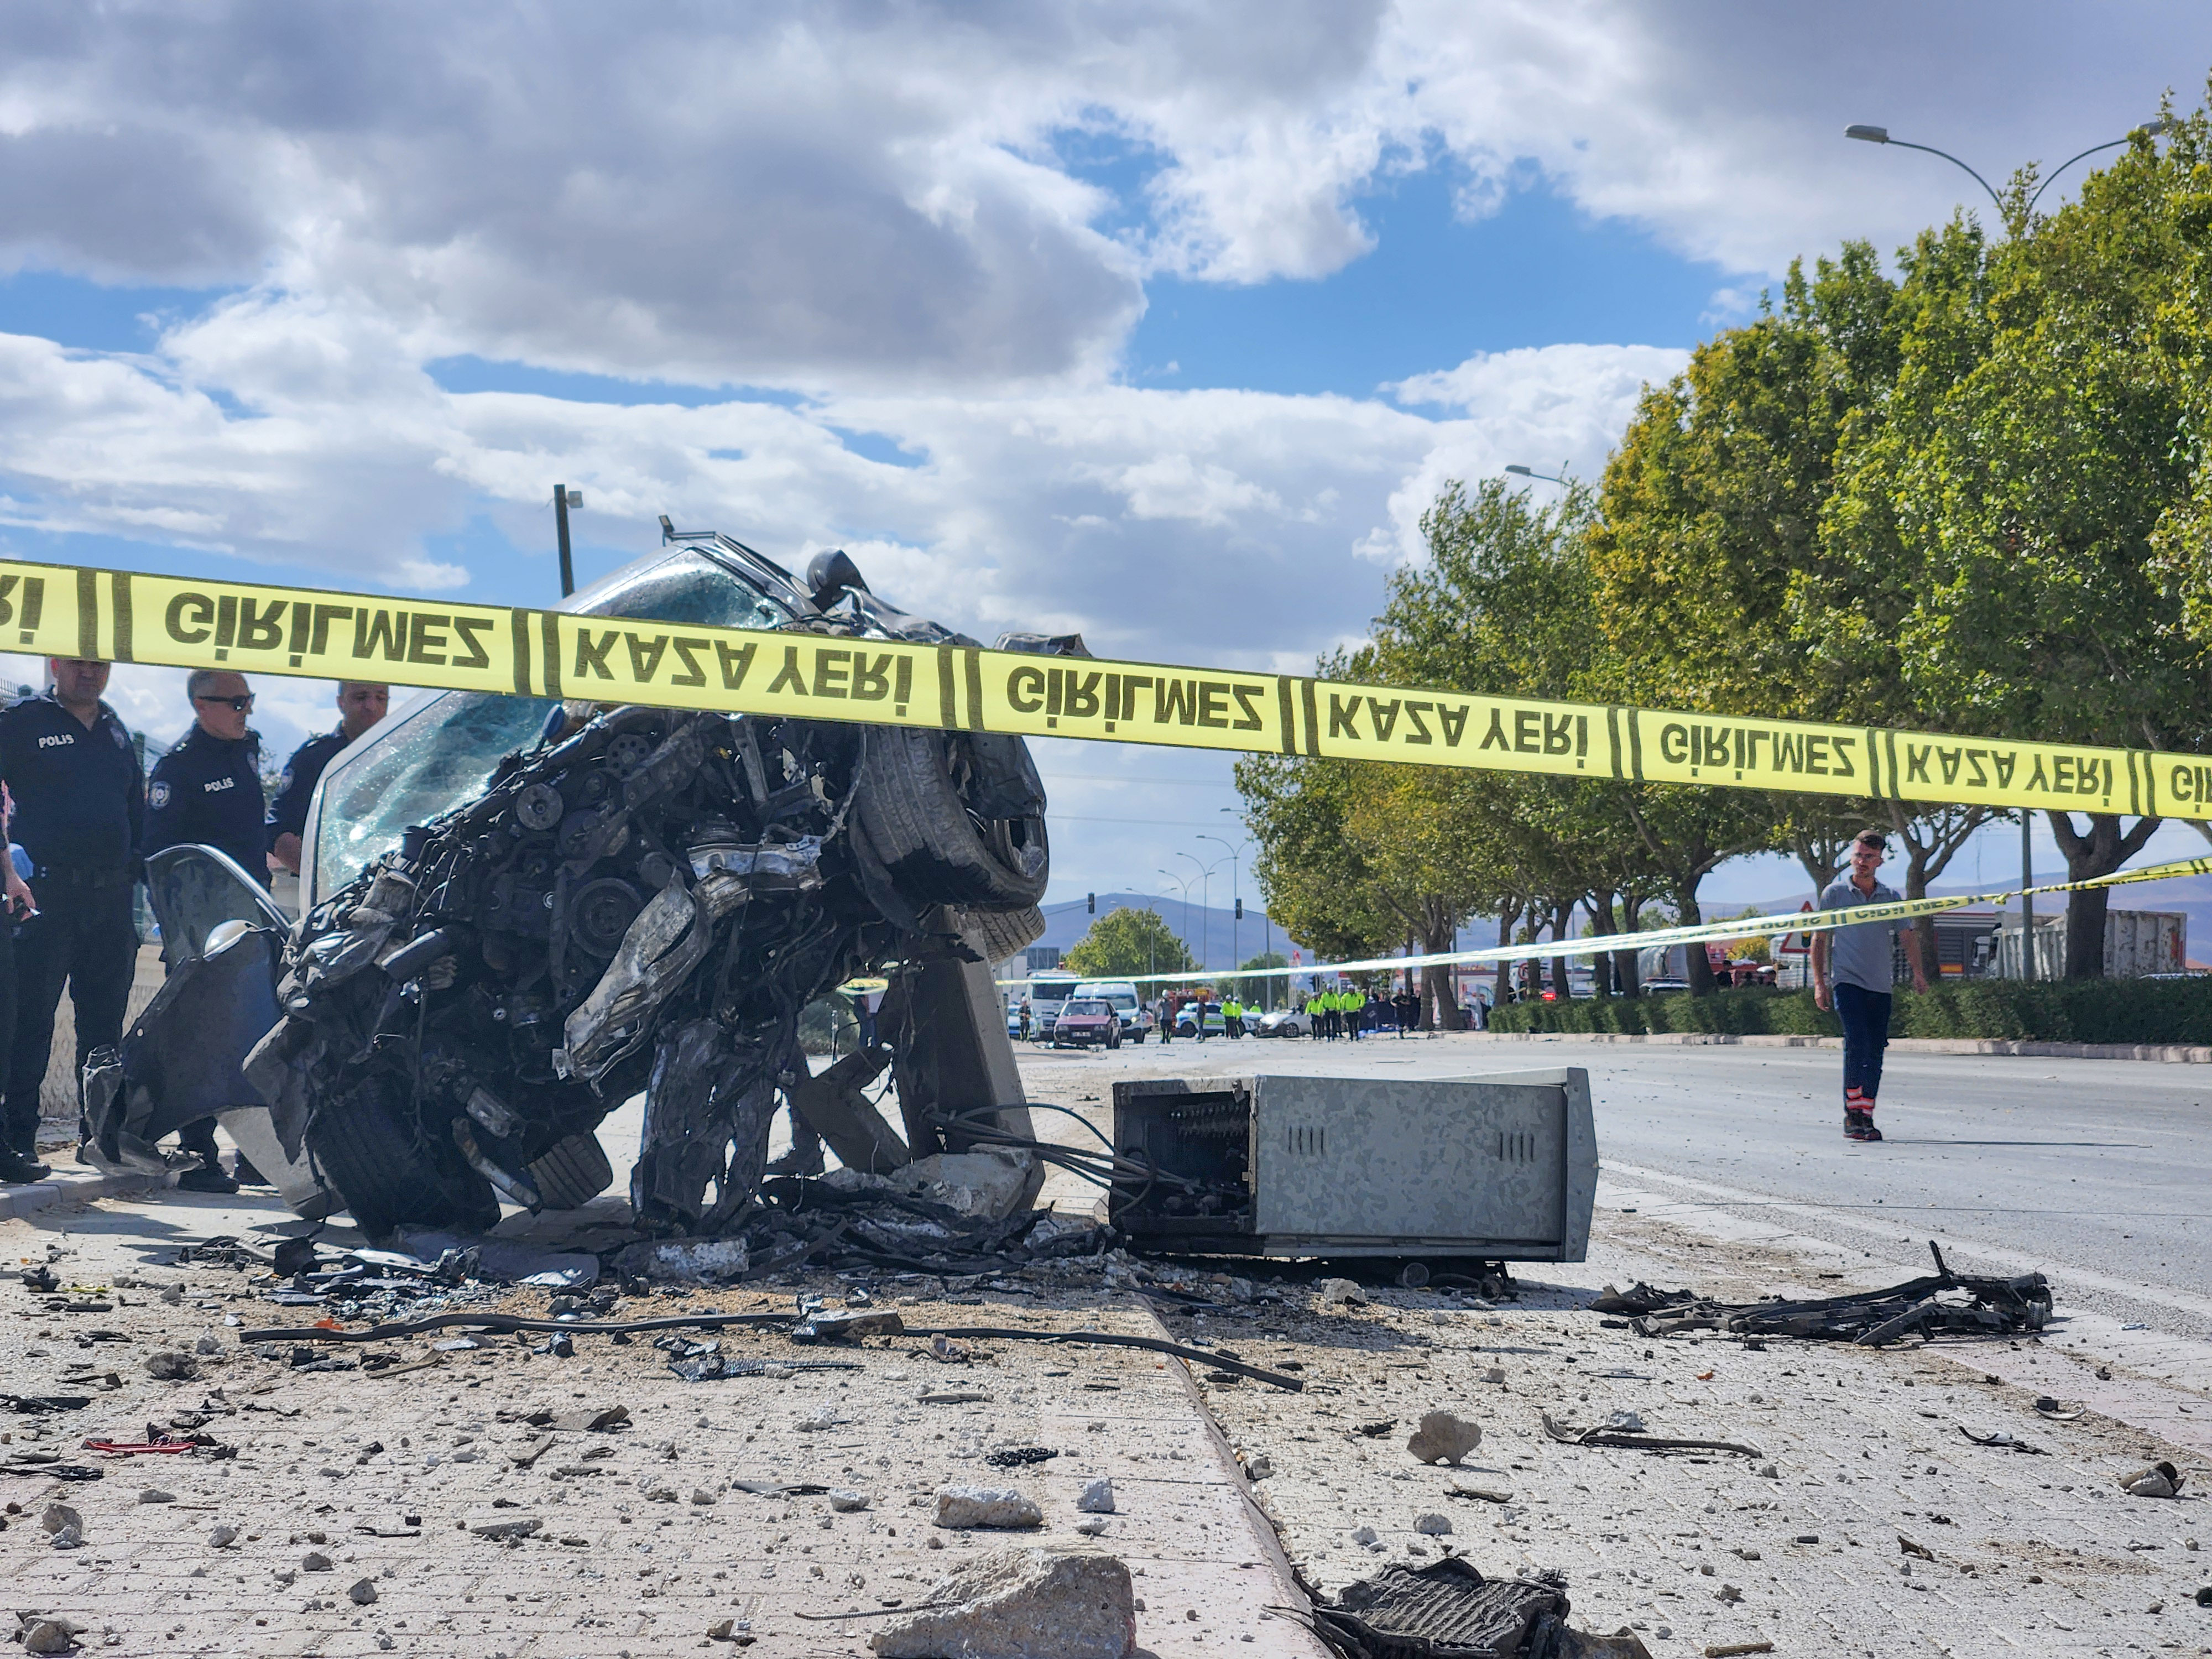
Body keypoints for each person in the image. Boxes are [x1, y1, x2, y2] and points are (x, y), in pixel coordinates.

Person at [0, 659, 143, 1186]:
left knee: (104, 1026)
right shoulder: (22, 721)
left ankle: (99, 1136)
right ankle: (18, 1138)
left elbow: (135, 813)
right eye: (79, 663)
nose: (91, 673)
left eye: (99, 664)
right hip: (45, 893)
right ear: (55, 664)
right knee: (29, 1022)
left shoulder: (115, 729)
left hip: (111, 899)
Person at [144, 669, 271, 1193]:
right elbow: (160, 859)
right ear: (201, 705)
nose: (246, 711)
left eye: (249, 700)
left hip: (251, 920)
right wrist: (185, 934)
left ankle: (260, 1156)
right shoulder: (179, 768)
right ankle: (198, 1156)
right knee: (200, 1042)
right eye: (235, 703)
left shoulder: (246, 751)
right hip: (203, 931)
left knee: (260, 1037)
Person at [1812, 828, 1928, 1142]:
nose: (1862, 861)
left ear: (1880, 861)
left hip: (1880, 985)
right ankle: (1852, 1115)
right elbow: (1820, 938)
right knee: (1857, 1042)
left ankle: (1867, 1114)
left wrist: (1918, 973)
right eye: (1858, 855)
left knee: (1875, 1049)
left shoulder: (1890, 897)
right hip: (1847, 981)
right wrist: (1820, 982)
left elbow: (1907, 936)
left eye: (1869, 857)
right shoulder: (1835, 894)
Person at [267, 681, 389, 874]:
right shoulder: (314, 759)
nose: (371, 706)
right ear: (341, 703)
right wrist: (319, 877)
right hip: (338, 882)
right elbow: (278, 831)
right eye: (360, 698)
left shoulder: (406, 753)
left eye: (381, 698)